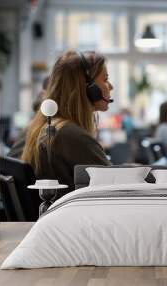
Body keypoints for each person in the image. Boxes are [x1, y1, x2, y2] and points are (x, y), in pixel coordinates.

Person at [21, 50, 113, 194]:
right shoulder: (70, 136)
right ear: (89, 88)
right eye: (105, 79)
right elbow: (114, 186)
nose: (111, 86)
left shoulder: (45, 127)